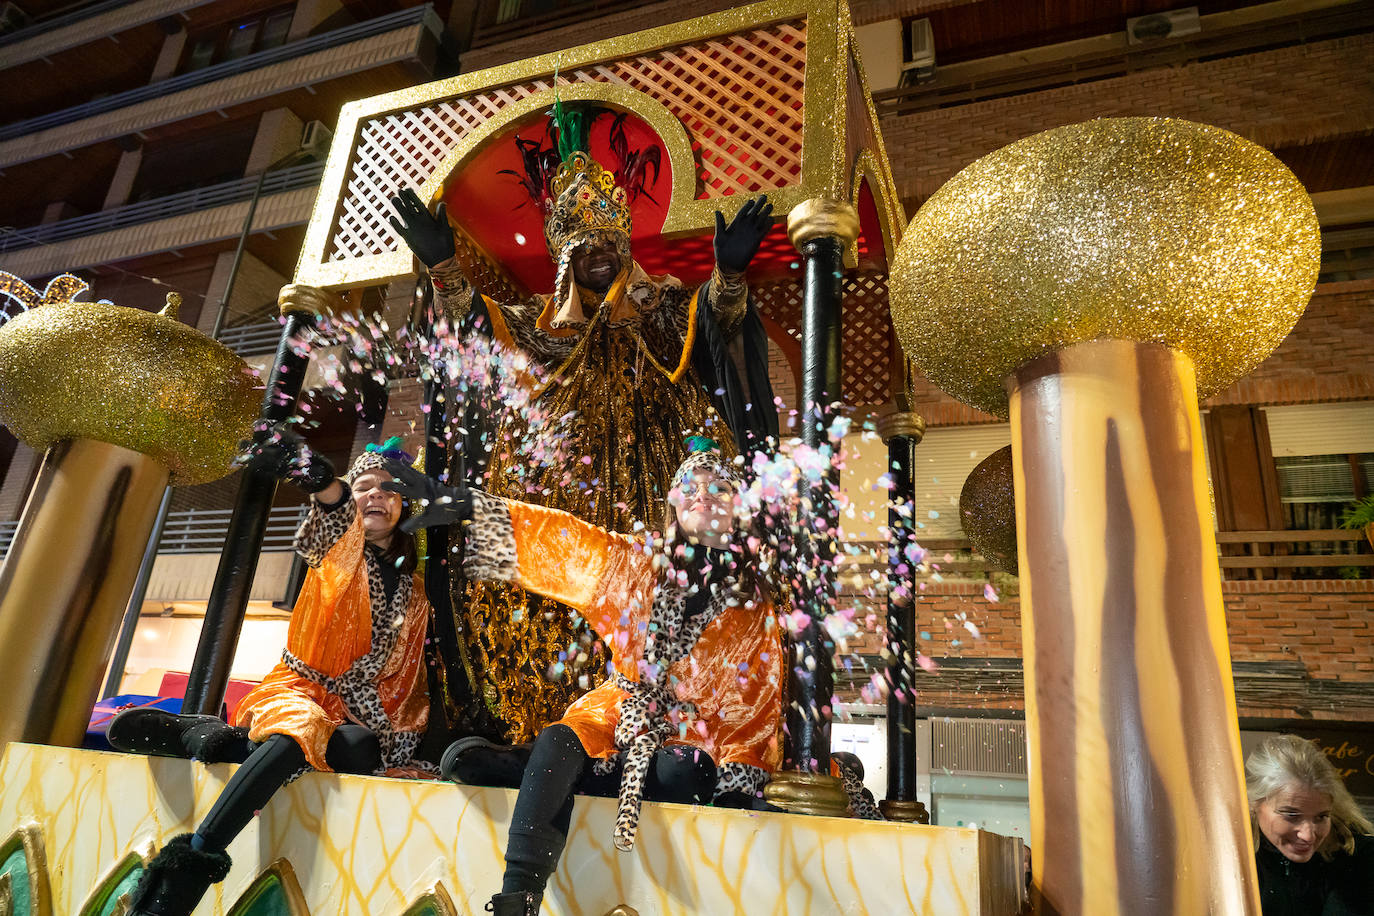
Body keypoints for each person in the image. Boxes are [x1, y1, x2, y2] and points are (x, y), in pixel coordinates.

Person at [387, 102, 777, 743]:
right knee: (550, 622)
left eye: (608, 242)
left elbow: (720, 330)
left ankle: (662, 734)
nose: (598, 253)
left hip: (656, 503)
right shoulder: (541, 323)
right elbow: (476, 336)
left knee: (655, 617)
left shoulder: (663, 307)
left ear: (625, 244)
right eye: (582, 244)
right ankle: (550, 738)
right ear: (564, 255)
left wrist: (729, 275)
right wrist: (444, 267)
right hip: (561, 495)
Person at [383, 438, 785, 915]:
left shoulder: (756, 609)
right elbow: (565, 543)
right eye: (691, 486)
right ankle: (519, 896)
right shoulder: (636, 564)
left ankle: (530, 770)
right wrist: (469, 504)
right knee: (560, 739)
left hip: (691, 740)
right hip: (619, 714)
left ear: (739, 508)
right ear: (674, 502)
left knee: (684, 771)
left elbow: (754, 707)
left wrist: (739, 790)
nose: (703, 495)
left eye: (719, 488)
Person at [109, 434, 436, 916]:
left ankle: (210, 737)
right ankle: (188, 870)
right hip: (299, 689)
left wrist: (395, 749)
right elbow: (334, 514)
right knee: (299, 733)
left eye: (390, 489)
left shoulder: (418, 594)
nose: (377, 495)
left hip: (346, 713)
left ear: (404, 506)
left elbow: (402, 682)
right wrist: (322, 480)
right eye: (365, 485)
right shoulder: (340, 552)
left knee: (361, 749)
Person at [1246, 734, 1374, 916]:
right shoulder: (1227, 858)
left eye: (1321, 817)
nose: (1308, 835)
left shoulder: (1361, 856)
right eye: (1291, 815)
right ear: (1253, 803)